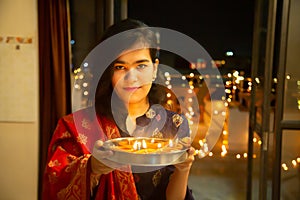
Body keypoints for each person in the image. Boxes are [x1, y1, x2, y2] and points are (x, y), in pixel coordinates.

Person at [42, 18, 195, 200]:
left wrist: (184, 169)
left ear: (154, 69)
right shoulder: (78, 127)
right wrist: (92, 168)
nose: (131, 77)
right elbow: (56, 184)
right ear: (108, 71)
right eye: (120, 67)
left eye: (141, 65)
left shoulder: (174, 125)